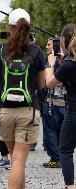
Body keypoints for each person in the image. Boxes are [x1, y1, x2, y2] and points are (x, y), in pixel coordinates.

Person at [0, 8, 45, 188]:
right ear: (28, 27)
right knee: (19, 161)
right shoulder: (36, 52)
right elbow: (41, 84)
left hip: (4, 111)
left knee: (16, 160)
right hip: (28, 111)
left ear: (9, 27)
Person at [46, 24, 76, 189]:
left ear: (64, 40)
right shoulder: (68, 63)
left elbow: (50, 83)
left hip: (74, 111)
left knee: (65, 149)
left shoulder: (68, 65)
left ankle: (70, 186)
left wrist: (51, 63)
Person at [42, 38, 65, 168]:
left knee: (50, 131)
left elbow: (47, 81)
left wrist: (50, 65)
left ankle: (56, 159)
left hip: (52, 102)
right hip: (65, 102)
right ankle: (61, 157)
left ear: (54, 47)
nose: (46, 46)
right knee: (61, 132)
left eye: (48, 44)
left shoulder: (52, 61)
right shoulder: (66, 60)